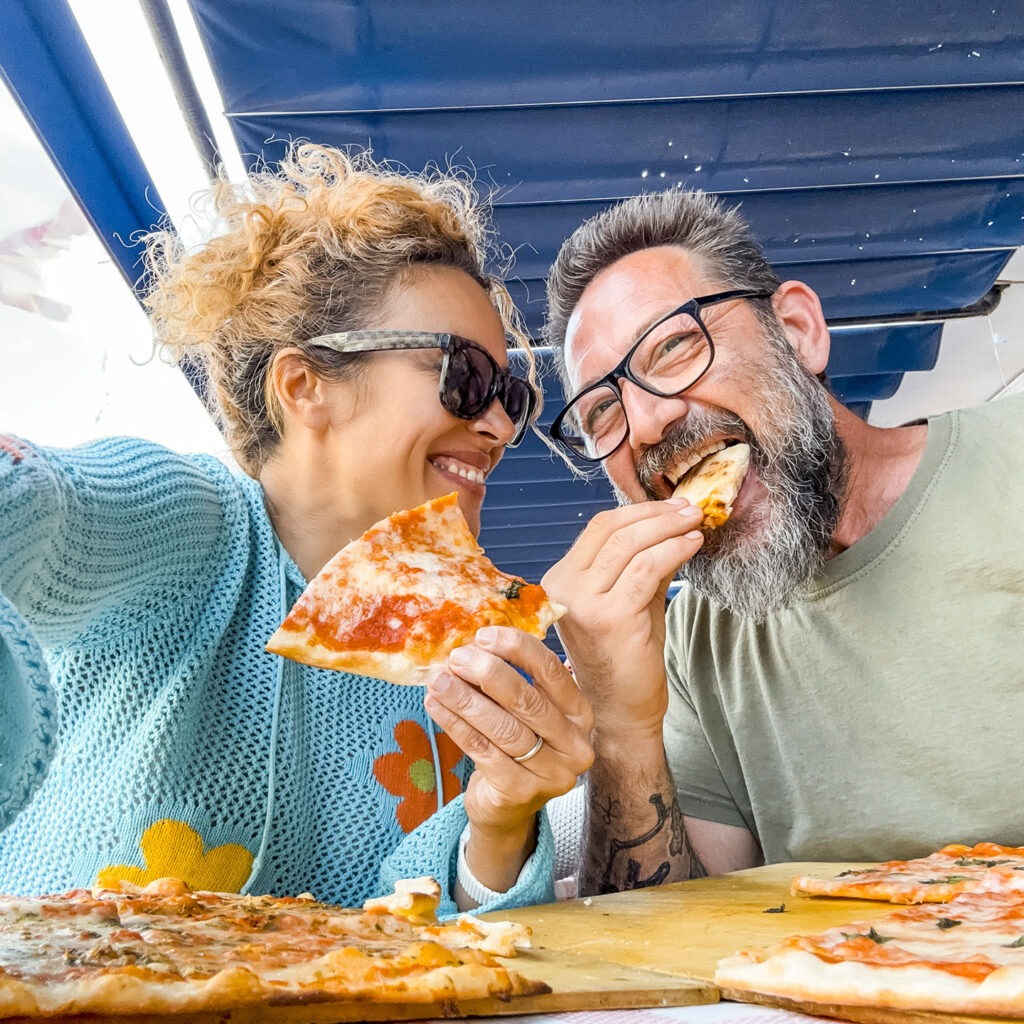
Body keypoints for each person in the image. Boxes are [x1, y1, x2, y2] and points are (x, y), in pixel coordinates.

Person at [0, 144, 593, 913]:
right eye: (464, 376)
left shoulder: (456, 641)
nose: (497, 426)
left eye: (509, 394)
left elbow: (412, 914)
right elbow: (35, 504)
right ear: (304, 384)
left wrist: (501, 818)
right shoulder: (190, 522)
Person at [539, 188, 1024, 895]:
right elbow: (662, 934)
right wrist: (621, 724)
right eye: (601, 411)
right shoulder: (687, 648)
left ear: (798, 330)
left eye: (673, 347)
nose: (644, 424)